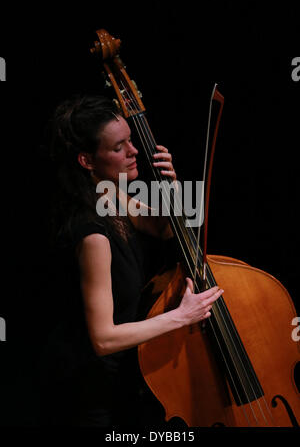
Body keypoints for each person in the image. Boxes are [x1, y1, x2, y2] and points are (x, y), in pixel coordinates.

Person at [37, 94, 224, 427]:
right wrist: (183, 315)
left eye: (131, 140)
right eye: (118, 147)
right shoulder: (92, 234)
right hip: (90, 395)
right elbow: (103, 338)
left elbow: (167, 228)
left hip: (123, 382)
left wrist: (173, 186)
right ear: (87, 160)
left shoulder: (111, 196)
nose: (134, 151)